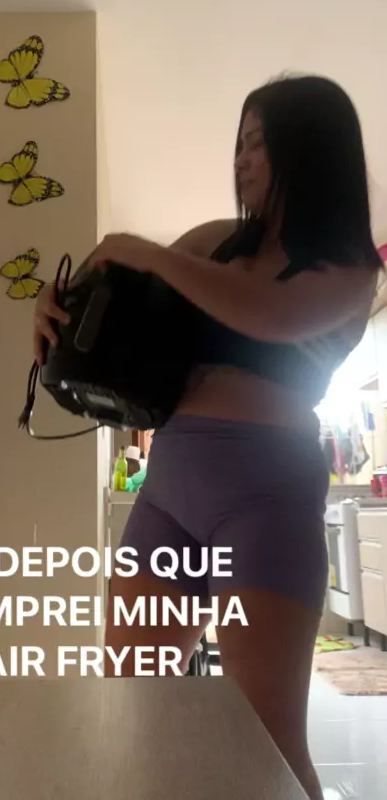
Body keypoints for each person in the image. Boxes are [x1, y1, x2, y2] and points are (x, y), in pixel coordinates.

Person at [33, 74, 383, 800]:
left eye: (258, 143)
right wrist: (54, 307)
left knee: (268, 741)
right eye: (239, 143)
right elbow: (115, 291)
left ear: (307, 150)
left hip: (265, 501)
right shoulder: (213, 242)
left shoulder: (351, 272)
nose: (241, 159)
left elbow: (270, 314)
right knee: (133, 710)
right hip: (171, 491)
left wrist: (154, 255)